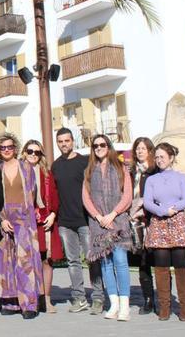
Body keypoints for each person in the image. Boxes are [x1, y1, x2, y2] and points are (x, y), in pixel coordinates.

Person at [52, 128, 104, 314]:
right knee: (73, 261)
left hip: (85, 219)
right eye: (60, 141)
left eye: (67, 140)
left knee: (92, 259)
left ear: (73, 141)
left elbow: (95, 188)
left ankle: (98, 297)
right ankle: (79, 297)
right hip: (65, 221)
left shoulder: (84, 162)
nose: (64, 144)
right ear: (57, 143)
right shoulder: (56, 165)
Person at [82, 134, 133, 322]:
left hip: (118, 221)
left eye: (102, 144)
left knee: (120, 260)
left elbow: (127, 195)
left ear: (108, 146)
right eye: (95, 146)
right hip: (98, 224)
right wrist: (98, 216)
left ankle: (125, 304)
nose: (99, 148)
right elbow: (86, 197)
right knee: (105, 264)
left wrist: (113, 214)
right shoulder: (89, 171)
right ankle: (113, 304)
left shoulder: (121, 168)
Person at [144, 143, 185, 322]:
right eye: (156, 157)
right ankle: (164, 306)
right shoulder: (151, 180)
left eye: (162, 157)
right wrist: (162, 211)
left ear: (171, 158)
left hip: (178, 222)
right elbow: (148, 202)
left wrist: (174, 208)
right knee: (161, 266)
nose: (159, 160)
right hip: (159, 223)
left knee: (181, 265)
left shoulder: (181, 177)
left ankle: (184, 307)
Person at [0, 133, 43, 319]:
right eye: (3, 147)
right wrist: (2, 218)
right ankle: (11, 302)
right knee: (6, 260)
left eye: (10, 147)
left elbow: (32, 193)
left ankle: (29, 304)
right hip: (5, 217)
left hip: (24, 218)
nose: (7, 150)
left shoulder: (26, 167)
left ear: (15, 148)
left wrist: (27, 219)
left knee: (26, 261)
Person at [22, 139, 62, 314]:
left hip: (45, 219)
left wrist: (53, 214)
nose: (33, 155)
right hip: (25, 220)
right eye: (30, 151)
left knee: (47, 260)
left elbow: (54, 195)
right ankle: (31, 298)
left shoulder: (46, 173)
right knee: (29, 261)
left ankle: (46, 298)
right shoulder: (18, 172)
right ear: (24, 152)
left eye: (37, 152)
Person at [129, 137, 157, 315]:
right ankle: (148, 299)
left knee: (160, 260)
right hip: (136, 223)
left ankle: (163, 296)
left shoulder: (155, 172)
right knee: (143, 262)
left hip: (153, 220)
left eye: (143, 149)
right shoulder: (132, 172)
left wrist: (145, 209)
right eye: (137, 149)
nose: (140, 152)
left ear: (150, 151)